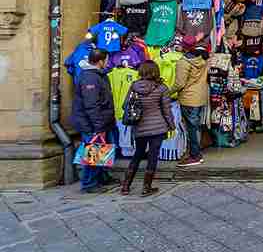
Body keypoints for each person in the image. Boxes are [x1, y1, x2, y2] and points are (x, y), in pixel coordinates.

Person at [120, 61, 175, 196]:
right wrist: (171, 125)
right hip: (158, 127)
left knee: (138, 154)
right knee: (152, 156)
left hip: (139, 127)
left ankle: (126, 186)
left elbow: (125, 105)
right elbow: (166, 110)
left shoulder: (134, 86)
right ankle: (146, 187)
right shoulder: (162, 88)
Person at [71, 48, 117, 193]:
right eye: (107, 59)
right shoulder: (90, 77)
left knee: (102, 150)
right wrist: (98, 127)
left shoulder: (99, 75)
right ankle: (89, 183)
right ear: (100, 61)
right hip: (93, 123)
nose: (108, 62)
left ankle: (102, 177)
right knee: (94, 152)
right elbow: (91, 104)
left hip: (102, 121)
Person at [169, 49, 208, 167]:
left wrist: (167, 92)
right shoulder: (202, 60)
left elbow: (179, 84)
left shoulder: (183, 63)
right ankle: (196, 153)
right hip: (200, 96)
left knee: (191, 128)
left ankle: (195, 155)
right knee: (195, 127)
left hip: (189, 98)